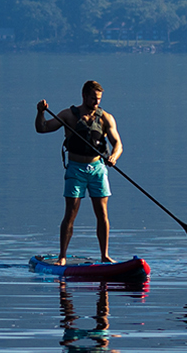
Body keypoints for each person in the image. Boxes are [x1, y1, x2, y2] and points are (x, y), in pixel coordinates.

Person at [35, 80, 122, 265]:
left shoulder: (106, 118)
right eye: (93, 98)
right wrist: (40, 112)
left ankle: (105, 255)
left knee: (102, 214)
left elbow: (118, 145)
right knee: (71, 213)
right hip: (76, 169)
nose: (96, 102)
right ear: (84, 96)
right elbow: (42, 128)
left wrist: (113, 157)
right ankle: (62, 257)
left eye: (99, 99)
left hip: (98, 169)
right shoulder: (68, 115)